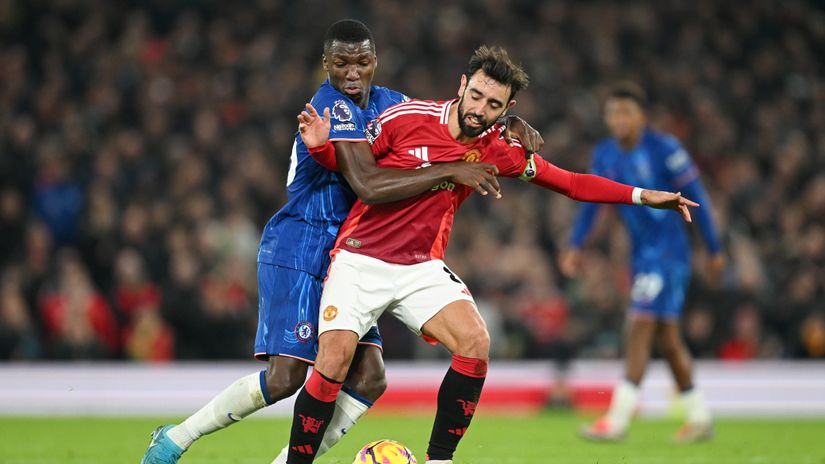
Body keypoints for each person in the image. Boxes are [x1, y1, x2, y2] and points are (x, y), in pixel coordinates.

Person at [140, 20, 539, 464]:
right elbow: (368, 183)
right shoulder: (328, 104)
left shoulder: (392, 103)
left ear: (375, 63)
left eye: (362, 62)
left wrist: (505, 123)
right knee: (286, 375)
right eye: (342, 63)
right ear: (326, 64)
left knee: (369, 379)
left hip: (355, 251)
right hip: (302, 242)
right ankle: (176, 438)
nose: (352, 73)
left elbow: (448, 119)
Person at [287, 46, 699, 464]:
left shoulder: (497, 147)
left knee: (474, 343)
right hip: (361, 257)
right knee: (334, 360)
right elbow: (358, 173)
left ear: (508, 108)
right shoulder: (406, 118)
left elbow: (571, 183)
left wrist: (643, 195)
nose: (481, 110)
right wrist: (322, 151)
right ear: (462, 85)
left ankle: (440, 460)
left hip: (419, 266)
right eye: (478, 96)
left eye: (494, 105)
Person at [559, 81, 725, 443]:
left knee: (639, 325)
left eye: (625, 112)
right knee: (666, 339)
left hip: (669, 253)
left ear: (641, 116)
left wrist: (714, 248)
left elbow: (699, 198)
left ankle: (617, 419)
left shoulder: (665, 149)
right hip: (641, 254)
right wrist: (576, 245)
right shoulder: (605, 154)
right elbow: (591, 201)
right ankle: (699, 417)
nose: (618, 119)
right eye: (612, 112)